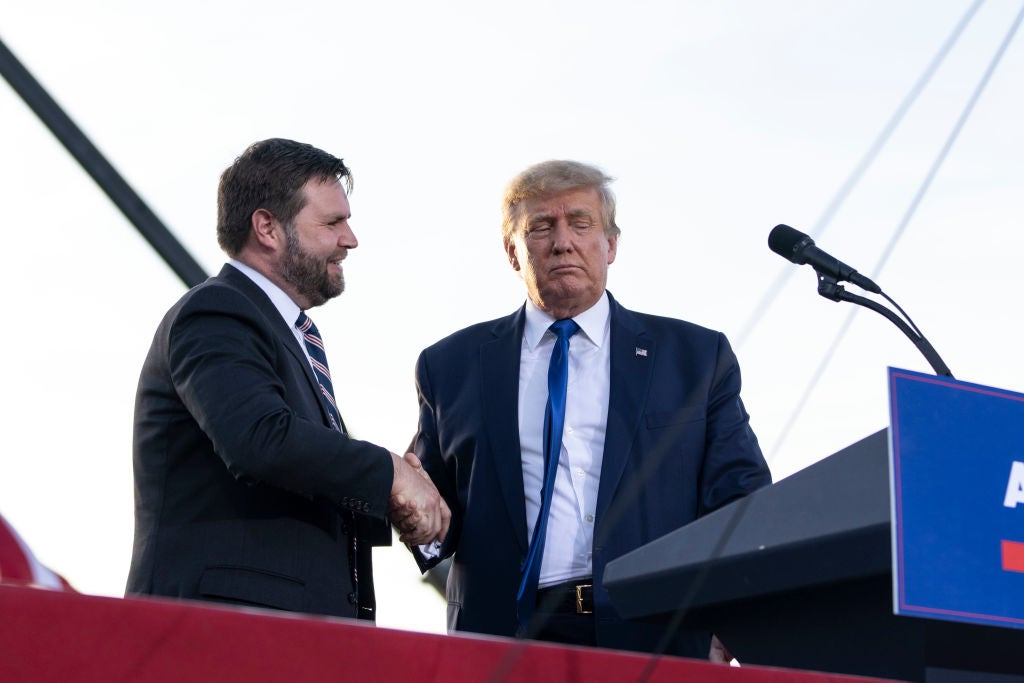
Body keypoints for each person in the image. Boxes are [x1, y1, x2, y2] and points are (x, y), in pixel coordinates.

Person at [408, 160, 771, 658]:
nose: (563, 242)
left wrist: (729, 625)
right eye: (541, 227)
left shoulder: (694, 358)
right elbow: (431, 505)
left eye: (580, 224)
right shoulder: (450, 366)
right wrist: (411, 512)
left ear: (611, 245)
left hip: (656, 634)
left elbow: (741, 499)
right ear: (513, 252)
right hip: (501, 638)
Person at [127, 138, 448, 620]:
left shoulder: (284, 330)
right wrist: (391, 474)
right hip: (217, 637)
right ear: (268, 228)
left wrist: (399, 505)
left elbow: (301, 478)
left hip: (283, 636)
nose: (351, 239)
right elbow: (260, 440)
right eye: (332, 222)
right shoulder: (216, 312)